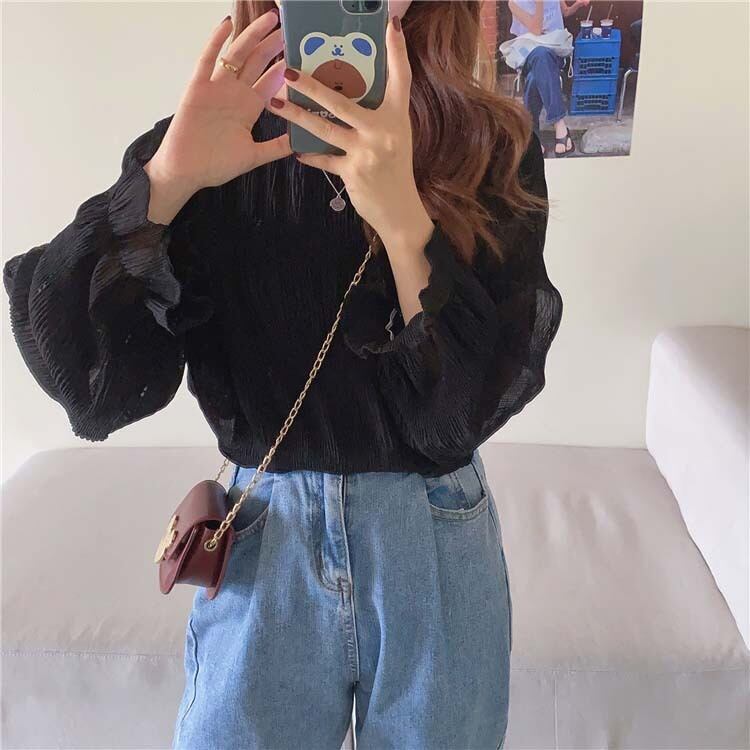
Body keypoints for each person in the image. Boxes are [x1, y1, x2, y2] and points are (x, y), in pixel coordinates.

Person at [2, 1, 563, 748]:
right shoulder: (206, 142)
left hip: (431, 535)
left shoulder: (488, 148)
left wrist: (401, 216)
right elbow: (90, 383)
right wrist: (167, 180)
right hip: (266, 536)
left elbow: (456, 417)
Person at [509, 0, 590, 156]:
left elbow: (565, 11)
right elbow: (536, 30)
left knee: (534, 77)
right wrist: (539, 3)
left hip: (555, 51)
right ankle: (560, 125)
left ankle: (532, 134)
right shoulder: (514, 3)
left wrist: (578, 5)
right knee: (540, 54)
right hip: (528, 55)